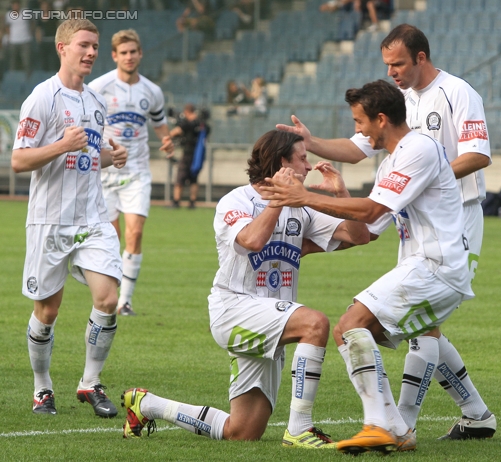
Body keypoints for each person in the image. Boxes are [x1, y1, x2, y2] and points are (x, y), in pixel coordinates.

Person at [276, 23, 495, 443]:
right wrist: (312, 146)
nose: (392, 70)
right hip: (413, 225)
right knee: (410, 325)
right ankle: (470, 414)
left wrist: (430, 180)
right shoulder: (397, 125)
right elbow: (367, 215)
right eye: (386, 65)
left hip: (454, 223)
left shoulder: (455, 95)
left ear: (421, 58)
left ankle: (397, 425)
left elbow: (478, 153)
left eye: (397, 63)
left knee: (414, 326)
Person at [120, 130, 370, 446]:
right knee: (315, 323)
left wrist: (342, 194)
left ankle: (146, 404)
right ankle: (299, 429)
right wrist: (279, 199)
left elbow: (359, 236)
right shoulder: (236, 201)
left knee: (242, 432)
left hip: (271, 317)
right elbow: (251, 240)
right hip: (234, 309)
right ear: (283, 163)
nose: (309, 166)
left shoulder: (301, 208)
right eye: (303, 158)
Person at [11, 18, 128, 417]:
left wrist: (113, 157)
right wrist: (61, 144)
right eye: (84, 45)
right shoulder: (41, 98)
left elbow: (90, 158)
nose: (91, 52)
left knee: (108, 298)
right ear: (62, 48)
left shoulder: (95, 102)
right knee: (47, 312)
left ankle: (90, 383)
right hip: (49, 221)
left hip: (92, 218)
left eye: (95, 46)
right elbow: (18, 160)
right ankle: (42, 388)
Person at [88, 30, 173, 317]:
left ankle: (124, 301)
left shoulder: (152, 91)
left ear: (140, 54)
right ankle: (108, 296)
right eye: (123, 52)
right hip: (104, 174)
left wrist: (167, 139)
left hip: (137, 172)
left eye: (133, 51)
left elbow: (160, 124)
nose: (129, 56)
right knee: (111, 238)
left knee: (134, 234)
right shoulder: (99, 87)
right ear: (114, 56)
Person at [170, 103, 210, 209]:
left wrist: (168, 135)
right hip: (198, 154)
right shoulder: (201, 124)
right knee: (194, 179)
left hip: (187, 152)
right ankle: (192, 202)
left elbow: (174, 132)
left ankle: (176, 201)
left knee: (180, 177)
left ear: (187, 111)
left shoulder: (187, 123)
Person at [4, 0, 33, 76]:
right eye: (14, 4)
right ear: (12, 5)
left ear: (19, 4)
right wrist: (9, 37)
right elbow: (7, 27)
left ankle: (28, 77)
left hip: (25, 40)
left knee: (27, 61)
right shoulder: (8, 15)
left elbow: (32, 23)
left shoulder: (25, 12)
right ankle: (12, 77)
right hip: (13, 41)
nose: (15, 6)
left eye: (17, 4)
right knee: (12, 61)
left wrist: (30, 32)